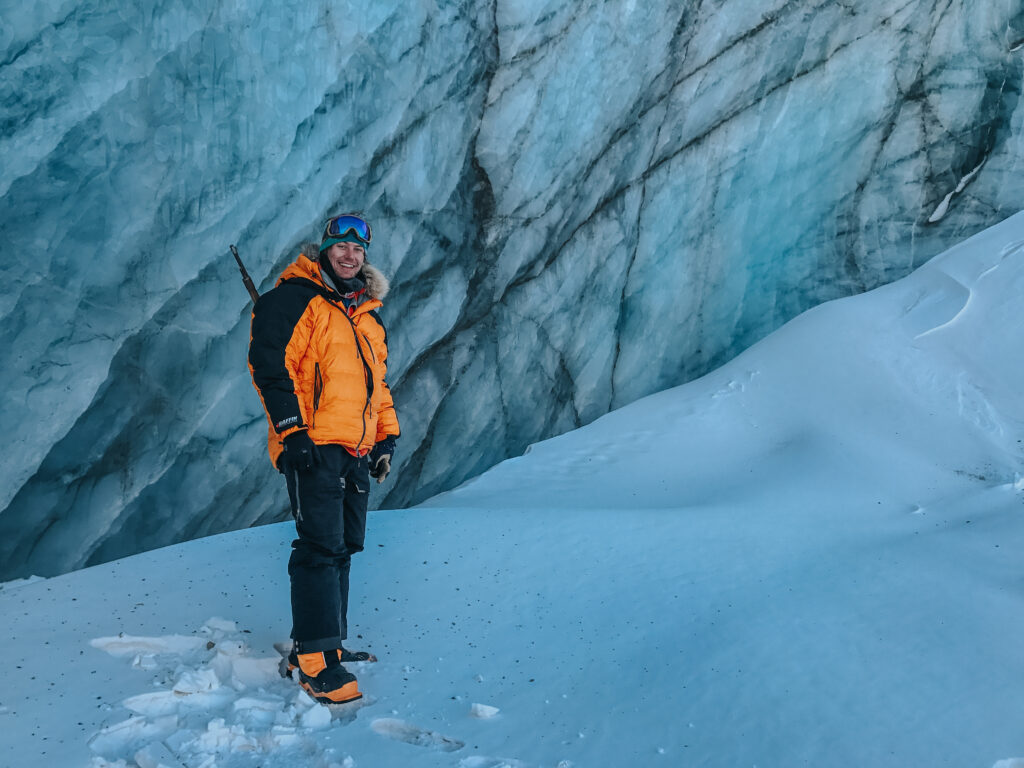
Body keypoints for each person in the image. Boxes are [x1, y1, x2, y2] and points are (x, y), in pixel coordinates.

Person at [248, 213, 399, 704]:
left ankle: (327, 642)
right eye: (341, 246)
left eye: (358, 249)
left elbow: (377, 387)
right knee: (319, 546)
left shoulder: (365, 316)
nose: (350, 255)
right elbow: (271, 366)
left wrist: (385, 439)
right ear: (325, 248)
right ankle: (314, 661)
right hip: (311, 444)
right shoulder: (295, 298)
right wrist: (291, 431)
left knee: (345, 545)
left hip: (355, 449)